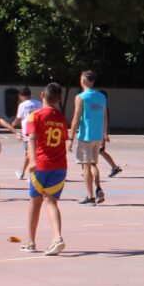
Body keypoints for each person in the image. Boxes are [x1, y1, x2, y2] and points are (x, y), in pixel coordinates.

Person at [24, 83, 68, 256]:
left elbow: (32, 138)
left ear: (42, 95)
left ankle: (30, 242)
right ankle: (57, 238)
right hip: (60, 166)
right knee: (51, 202)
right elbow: (63, 138)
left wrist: (32, 159)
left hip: (41, 165)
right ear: (58, 99)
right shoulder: (61, 117)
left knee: (35, 202)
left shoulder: (35, 116)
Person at [68, 70, 108, 205]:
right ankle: (98, 188)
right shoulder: (102, 97)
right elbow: (104, 116)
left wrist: (71, 137)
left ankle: (90, 195)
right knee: (93, 164)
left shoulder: (81, 97)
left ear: (83, 81)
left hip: (86, 136)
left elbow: (76, 118)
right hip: (97, 136)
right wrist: (104, 134)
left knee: (86, 166)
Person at [12, 86, 42, 180]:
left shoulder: (23, 105)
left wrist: (13, 124)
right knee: (33, 153)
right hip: (38, 131)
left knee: (29, 153)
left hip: (28, 132)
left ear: (21, 95)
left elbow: (18, 117)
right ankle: (23, 172)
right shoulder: (39, 103)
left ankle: (30, 173)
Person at [98, 90, 123, 177]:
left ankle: (114, 167)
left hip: (100, 133)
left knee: (99, 151)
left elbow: (105, 121)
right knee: (99, 151)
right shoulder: (100, 106)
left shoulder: (104, 108)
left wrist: (105, 134)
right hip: (97, 132)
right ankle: (114, 167)